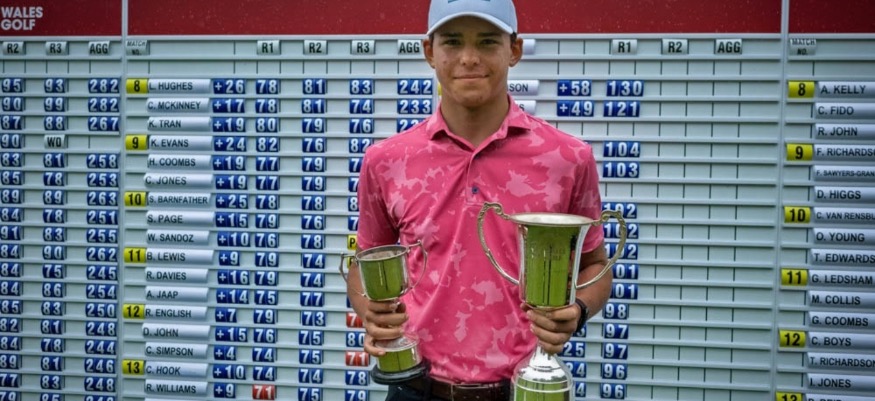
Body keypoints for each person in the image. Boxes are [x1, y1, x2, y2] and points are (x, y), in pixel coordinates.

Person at [346, 0, 612, 399]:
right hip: (414, 389)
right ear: (430, 51)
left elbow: (594, 264)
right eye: (453, 41)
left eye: (487, 41)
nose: (469, 58)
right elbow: (364, 262)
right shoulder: (386, 161)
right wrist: (370, 310)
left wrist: (578, 309)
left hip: (524, 389)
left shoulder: (567, 158)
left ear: (514, 50)